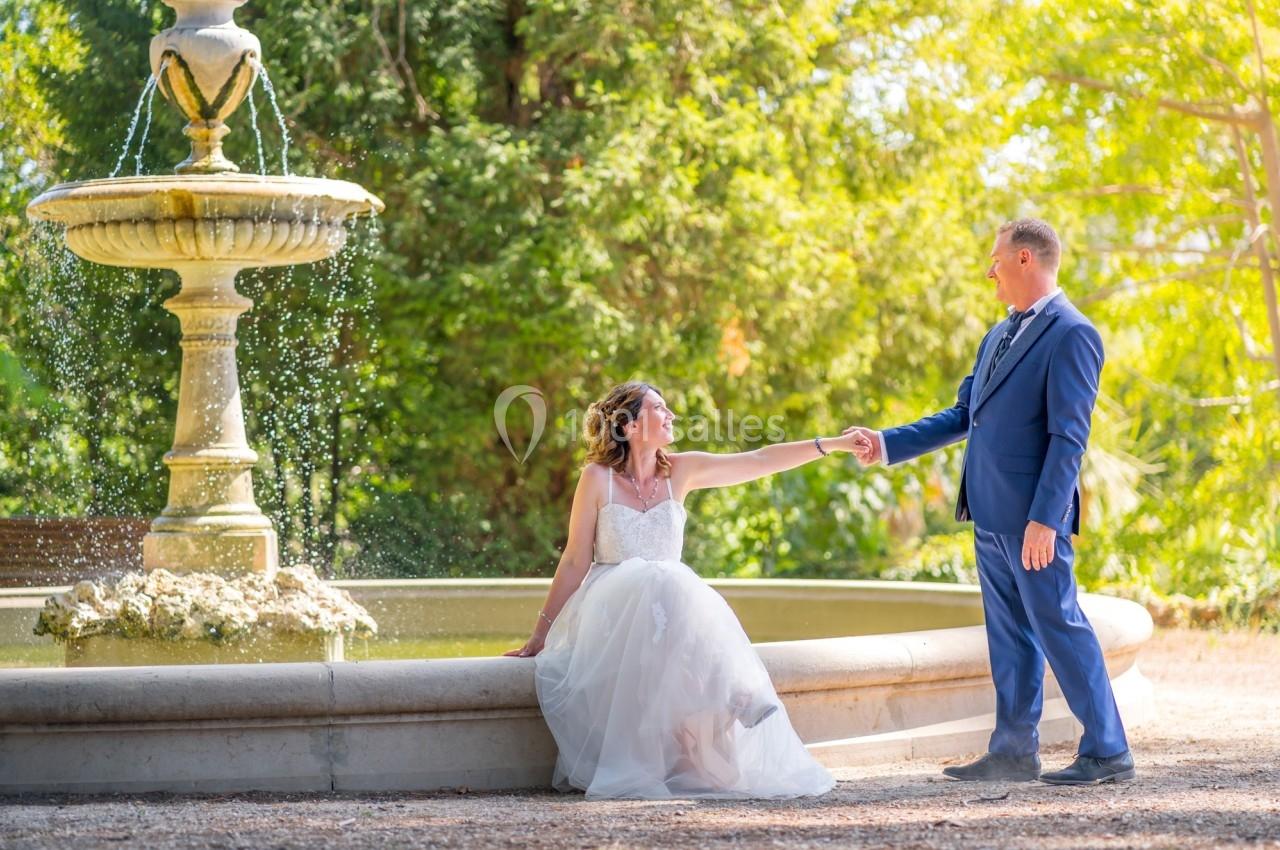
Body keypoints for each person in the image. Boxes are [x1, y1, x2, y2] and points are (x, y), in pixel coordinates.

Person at [845, 218, 1135, 786]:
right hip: (987, 511)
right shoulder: (997, 335)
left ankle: (1108, 750)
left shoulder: (1073, 333)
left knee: (1059, 626)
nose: (990, 271)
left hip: (1033, 521)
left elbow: (1068, 437)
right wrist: (885, 444)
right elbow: (963, 415)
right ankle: (1012, 752)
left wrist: (1044, 520)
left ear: (1025, 259)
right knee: (1009, 635)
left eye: (996, 260)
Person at [505, 381, 846, 799]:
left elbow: (758, 459)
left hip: (674, 618)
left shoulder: (680, 470)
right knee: (662, 577)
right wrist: (541, 636)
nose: (672, 416)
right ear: (628, 426)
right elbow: (576, 560)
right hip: (616, 617)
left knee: (671, 578)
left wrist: (831, 444)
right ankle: (736, 692)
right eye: (660, 409)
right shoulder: (597, 479)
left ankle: (722, 700)